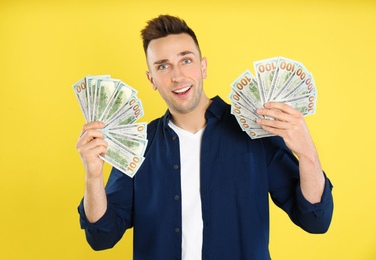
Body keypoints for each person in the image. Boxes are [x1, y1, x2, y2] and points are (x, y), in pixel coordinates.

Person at [76, 15, 333, 260]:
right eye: (163, 66)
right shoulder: (137, 144)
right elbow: (101, 237)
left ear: (203, 66)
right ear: (151, 79)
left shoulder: (255, 132)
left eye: (185, 60)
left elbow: (315, 220)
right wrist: (93, 176)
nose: (177, 76)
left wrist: (307, 153)